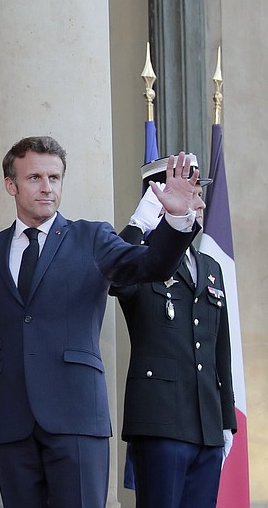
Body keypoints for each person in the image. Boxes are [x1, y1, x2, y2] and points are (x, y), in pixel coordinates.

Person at [0, 136, 201, 508]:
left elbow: (150, 265)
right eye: (34, 178)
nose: (47, 187)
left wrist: (177, 220)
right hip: (12, 420)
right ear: (10, 185)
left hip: (77, 418)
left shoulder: (93, 237)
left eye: (54, 177)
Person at [111, 155, 236, 507]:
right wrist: (140, 223)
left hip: (206, 425)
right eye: (191, 191)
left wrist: (225, 420)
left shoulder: (209, 266)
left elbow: (219, 350)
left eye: (197, 192)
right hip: (160, 423)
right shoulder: (139, 257)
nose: (200, 203)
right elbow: (115, 280)